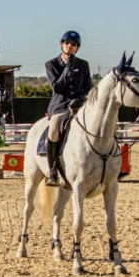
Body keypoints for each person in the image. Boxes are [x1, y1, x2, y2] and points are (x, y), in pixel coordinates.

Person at [44, 30, 92, 187]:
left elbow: (88, 89)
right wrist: (67, 69)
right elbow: (57, 88)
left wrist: (81, 99)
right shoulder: (51, 64)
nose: (69, 46)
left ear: (77, 48)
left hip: (79, 106)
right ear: (61, 45)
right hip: (60, 106)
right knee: (53, 130)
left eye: (73, 44)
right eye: (67, 43)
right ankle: (52, 171)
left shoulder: (84, 65)